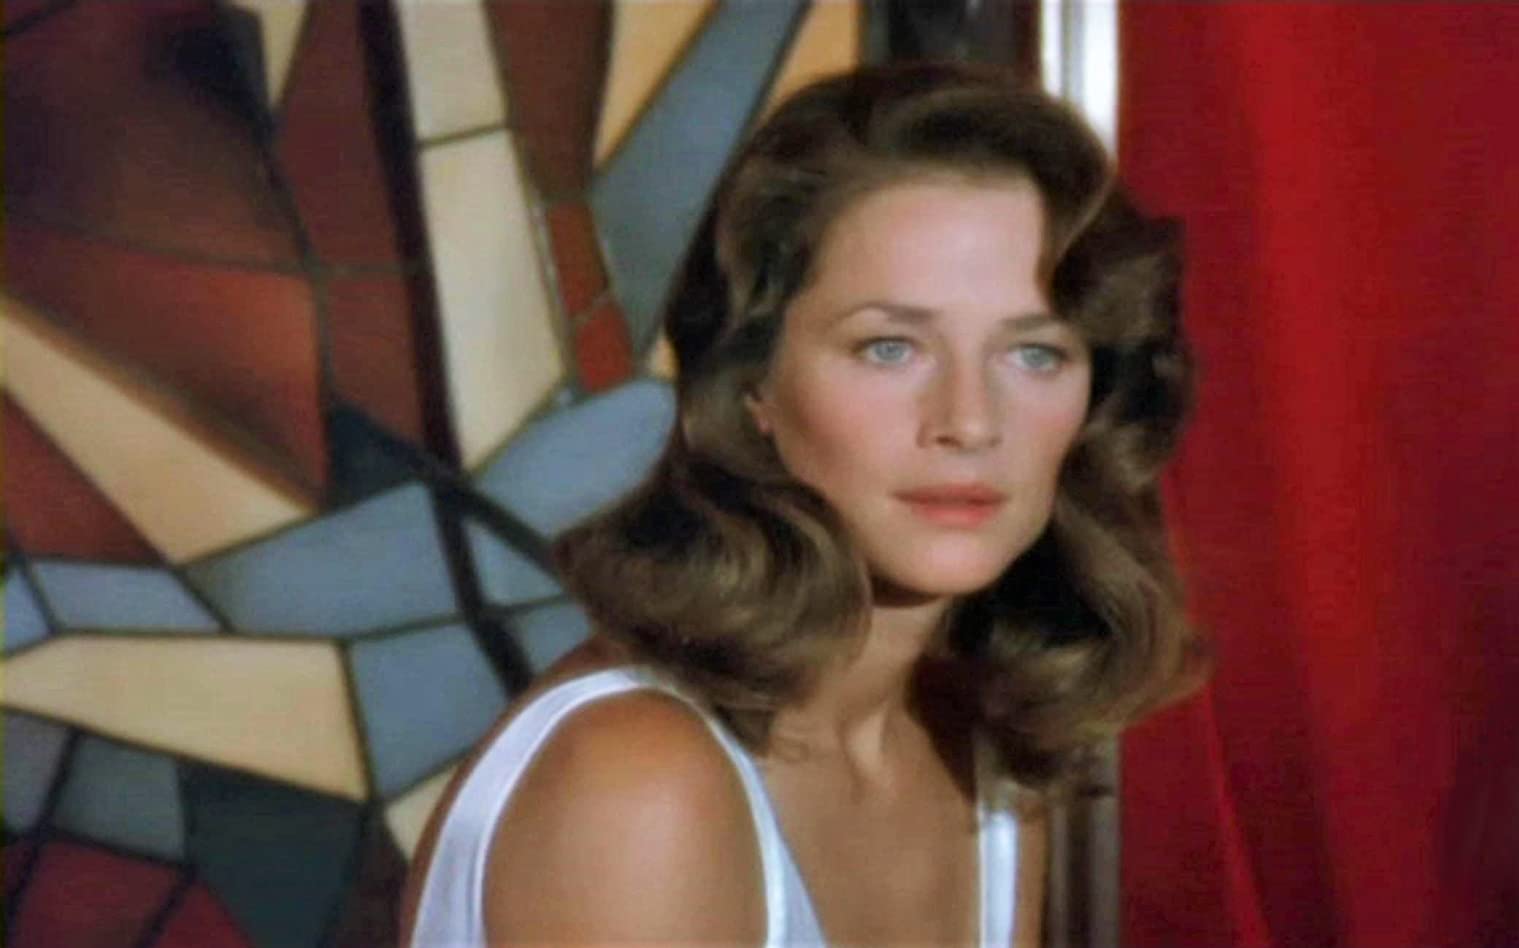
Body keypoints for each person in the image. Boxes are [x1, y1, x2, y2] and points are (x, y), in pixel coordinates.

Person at [400, 61, 1206, 947]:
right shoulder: (638, 782)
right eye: (889, 348)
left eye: (1035, 354)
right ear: (753, 384)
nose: (970, 421)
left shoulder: (976, 758)